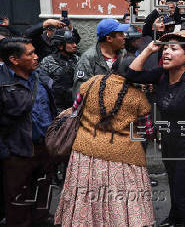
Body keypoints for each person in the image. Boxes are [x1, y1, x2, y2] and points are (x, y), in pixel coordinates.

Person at [127, 30, 185, 227]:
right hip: (169, 142)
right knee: (175, 186)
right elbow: (131, 74)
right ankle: (174, 220)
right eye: (165, 48)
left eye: (173, 48)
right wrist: (149, 50)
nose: (166, 52)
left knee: (182, 195)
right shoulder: (161, 74)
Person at [54, 55, 155, 226]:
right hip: (124, 159)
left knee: (87, 197)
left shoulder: (91, 83)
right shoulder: (139, 98)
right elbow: (148, 131)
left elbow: (75, 109)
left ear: (113, 68)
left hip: (85, 154)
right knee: (121, 199)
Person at [0, 37, 57, 226]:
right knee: (18, 201)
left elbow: (48, 108)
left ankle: (41, 220)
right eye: (30, 54)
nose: (36, 57)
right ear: (14, 60)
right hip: (17, 152)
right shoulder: (3, 83)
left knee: (42, 194)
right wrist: (6, 152)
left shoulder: (40, 77)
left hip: (44, 148)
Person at [72, 18, 128, 98]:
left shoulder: (124, 54)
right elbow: (80, 92)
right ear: (109, 39)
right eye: (121, 34)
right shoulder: (88, 58)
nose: (124, 37)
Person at [39, 29, 80, 113]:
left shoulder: (78, 60)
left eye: (75, 42)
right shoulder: (47, 62)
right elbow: (42, 86)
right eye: (71, 43)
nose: (75, 45)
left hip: (76, 106)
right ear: (60, 45)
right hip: (55, 109)